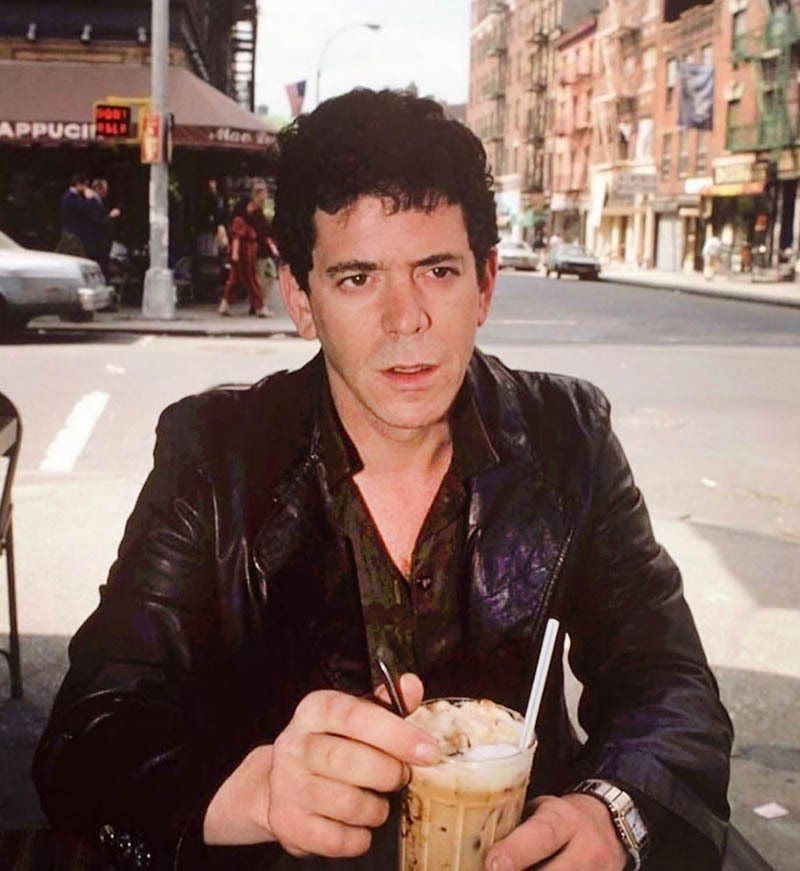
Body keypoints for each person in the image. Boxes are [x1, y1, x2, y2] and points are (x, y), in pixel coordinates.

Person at [34, 89, 732, 871]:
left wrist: (616, 814)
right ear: (300, 298)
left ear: (486, 284)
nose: (406, 319)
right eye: (359, 278)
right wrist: (247, 794)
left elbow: (668, 683)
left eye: (437, 270)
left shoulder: (568, 435)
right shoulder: (215, 455)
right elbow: (90, 731)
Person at [218, 196, 267, 317]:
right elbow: (236, 238)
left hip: (249, 253)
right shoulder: (239, 220)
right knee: (251, 281)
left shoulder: (249, 219)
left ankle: (225, 305)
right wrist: (234, 254)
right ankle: (260, 307)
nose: (251, 208)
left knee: (236, 281)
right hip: (244, 254)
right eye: (250, 205)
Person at [248, 177, 279, 317]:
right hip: (258, 250)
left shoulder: (263, 209)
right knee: (260, 279)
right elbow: (260, 231)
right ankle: (260, 306)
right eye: (261, 192)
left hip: (264, 249)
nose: (264, 195)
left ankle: (259, 304)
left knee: (269, 276)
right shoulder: (253, 210)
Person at [84, 178, 121, 276]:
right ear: (99, 189)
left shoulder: (99, 202)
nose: (107, 191)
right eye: (105, 189)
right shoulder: (92, 203)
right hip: (97, 242)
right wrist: (110, 216)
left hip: (101, 242)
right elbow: (96, 221)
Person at [55, 172, 93, 257]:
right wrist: (90, 199)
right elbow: (83, 210)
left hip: (71, 233)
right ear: (78, 184)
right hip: (72, 235)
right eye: (85, 185)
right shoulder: (70, 197)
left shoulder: (71, 196)